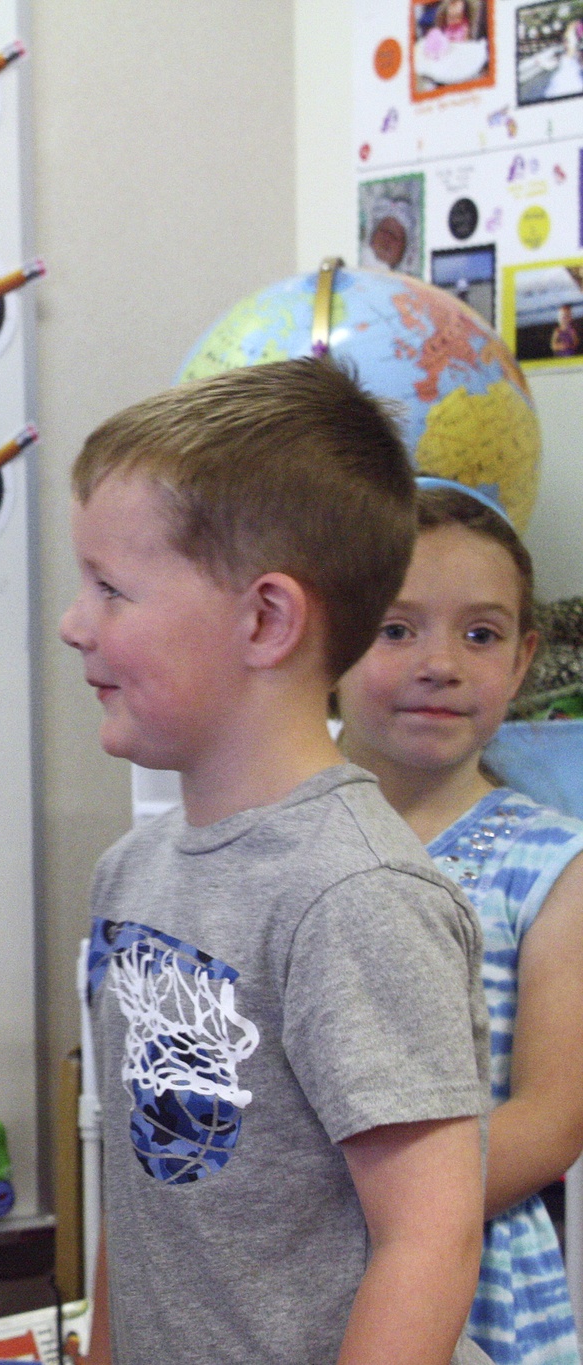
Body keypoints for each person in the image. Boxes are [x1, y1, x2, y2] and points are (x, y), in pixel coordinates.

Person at [62, 357, 492, 1365]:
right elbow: (146, 1184)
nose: (73, 623)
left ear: (263, 620)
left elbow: (427, 1238)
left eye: (110, 589)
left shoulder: (355, 897)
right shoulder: (131, 873)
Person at [339, 481, 583, 1365]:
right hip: (270, 1273)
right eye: (397, 627)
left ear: (522, 660)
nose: (440, 661)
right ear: (328, 633)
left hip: (472, 1288)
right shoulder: (272, 833)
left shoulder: (555, 865)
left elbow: (554, 1117)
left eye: (479, 634)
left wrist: (343, 1207)